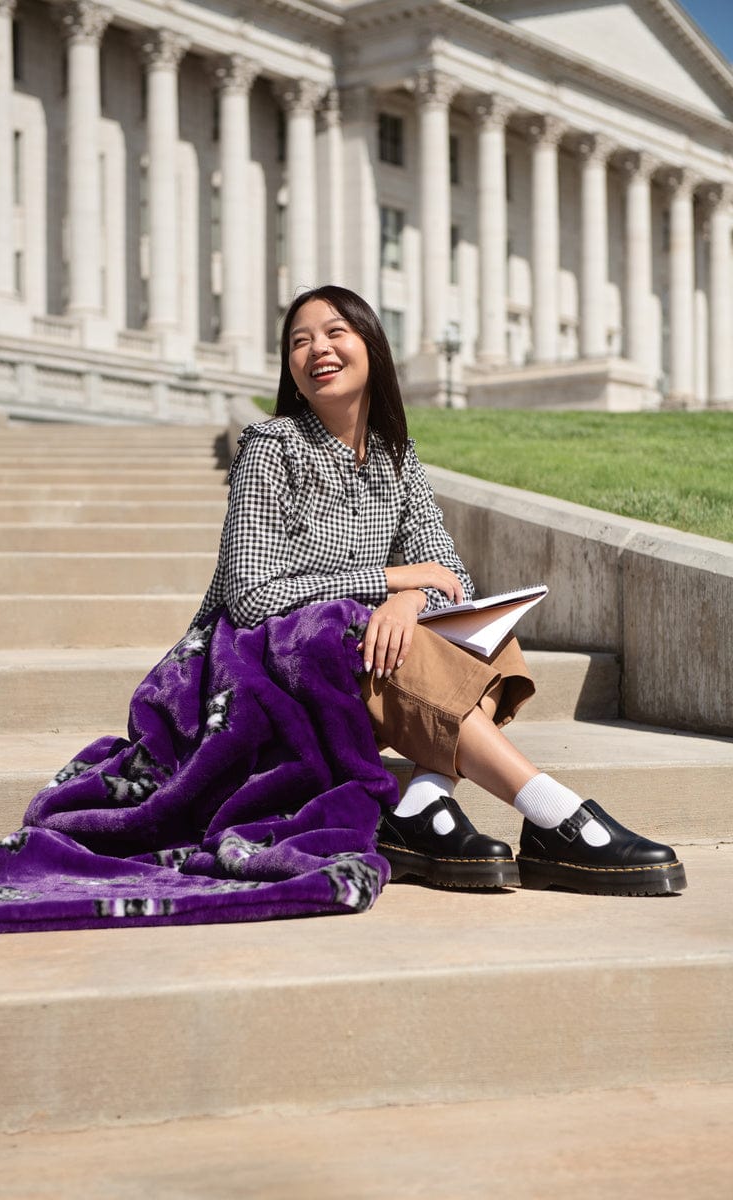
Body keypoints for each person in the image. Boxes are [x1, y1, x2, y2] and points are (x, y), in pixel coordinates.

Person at [198, 284, 686, 897]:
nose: (316, 348)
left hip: (341, 668)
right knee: (369, 633)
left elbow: (450, 579)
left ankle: (423, 805)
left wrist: (409, 601)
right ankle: (554, 814)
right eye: (299, 341)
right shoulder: (272, 448)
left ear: (372, 347)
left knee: (486, 636)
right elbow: (249, 596)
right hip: (257, 675)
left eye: (333, 333)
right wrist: (390, 582)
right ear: (292, 372)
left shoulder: (396, 458)